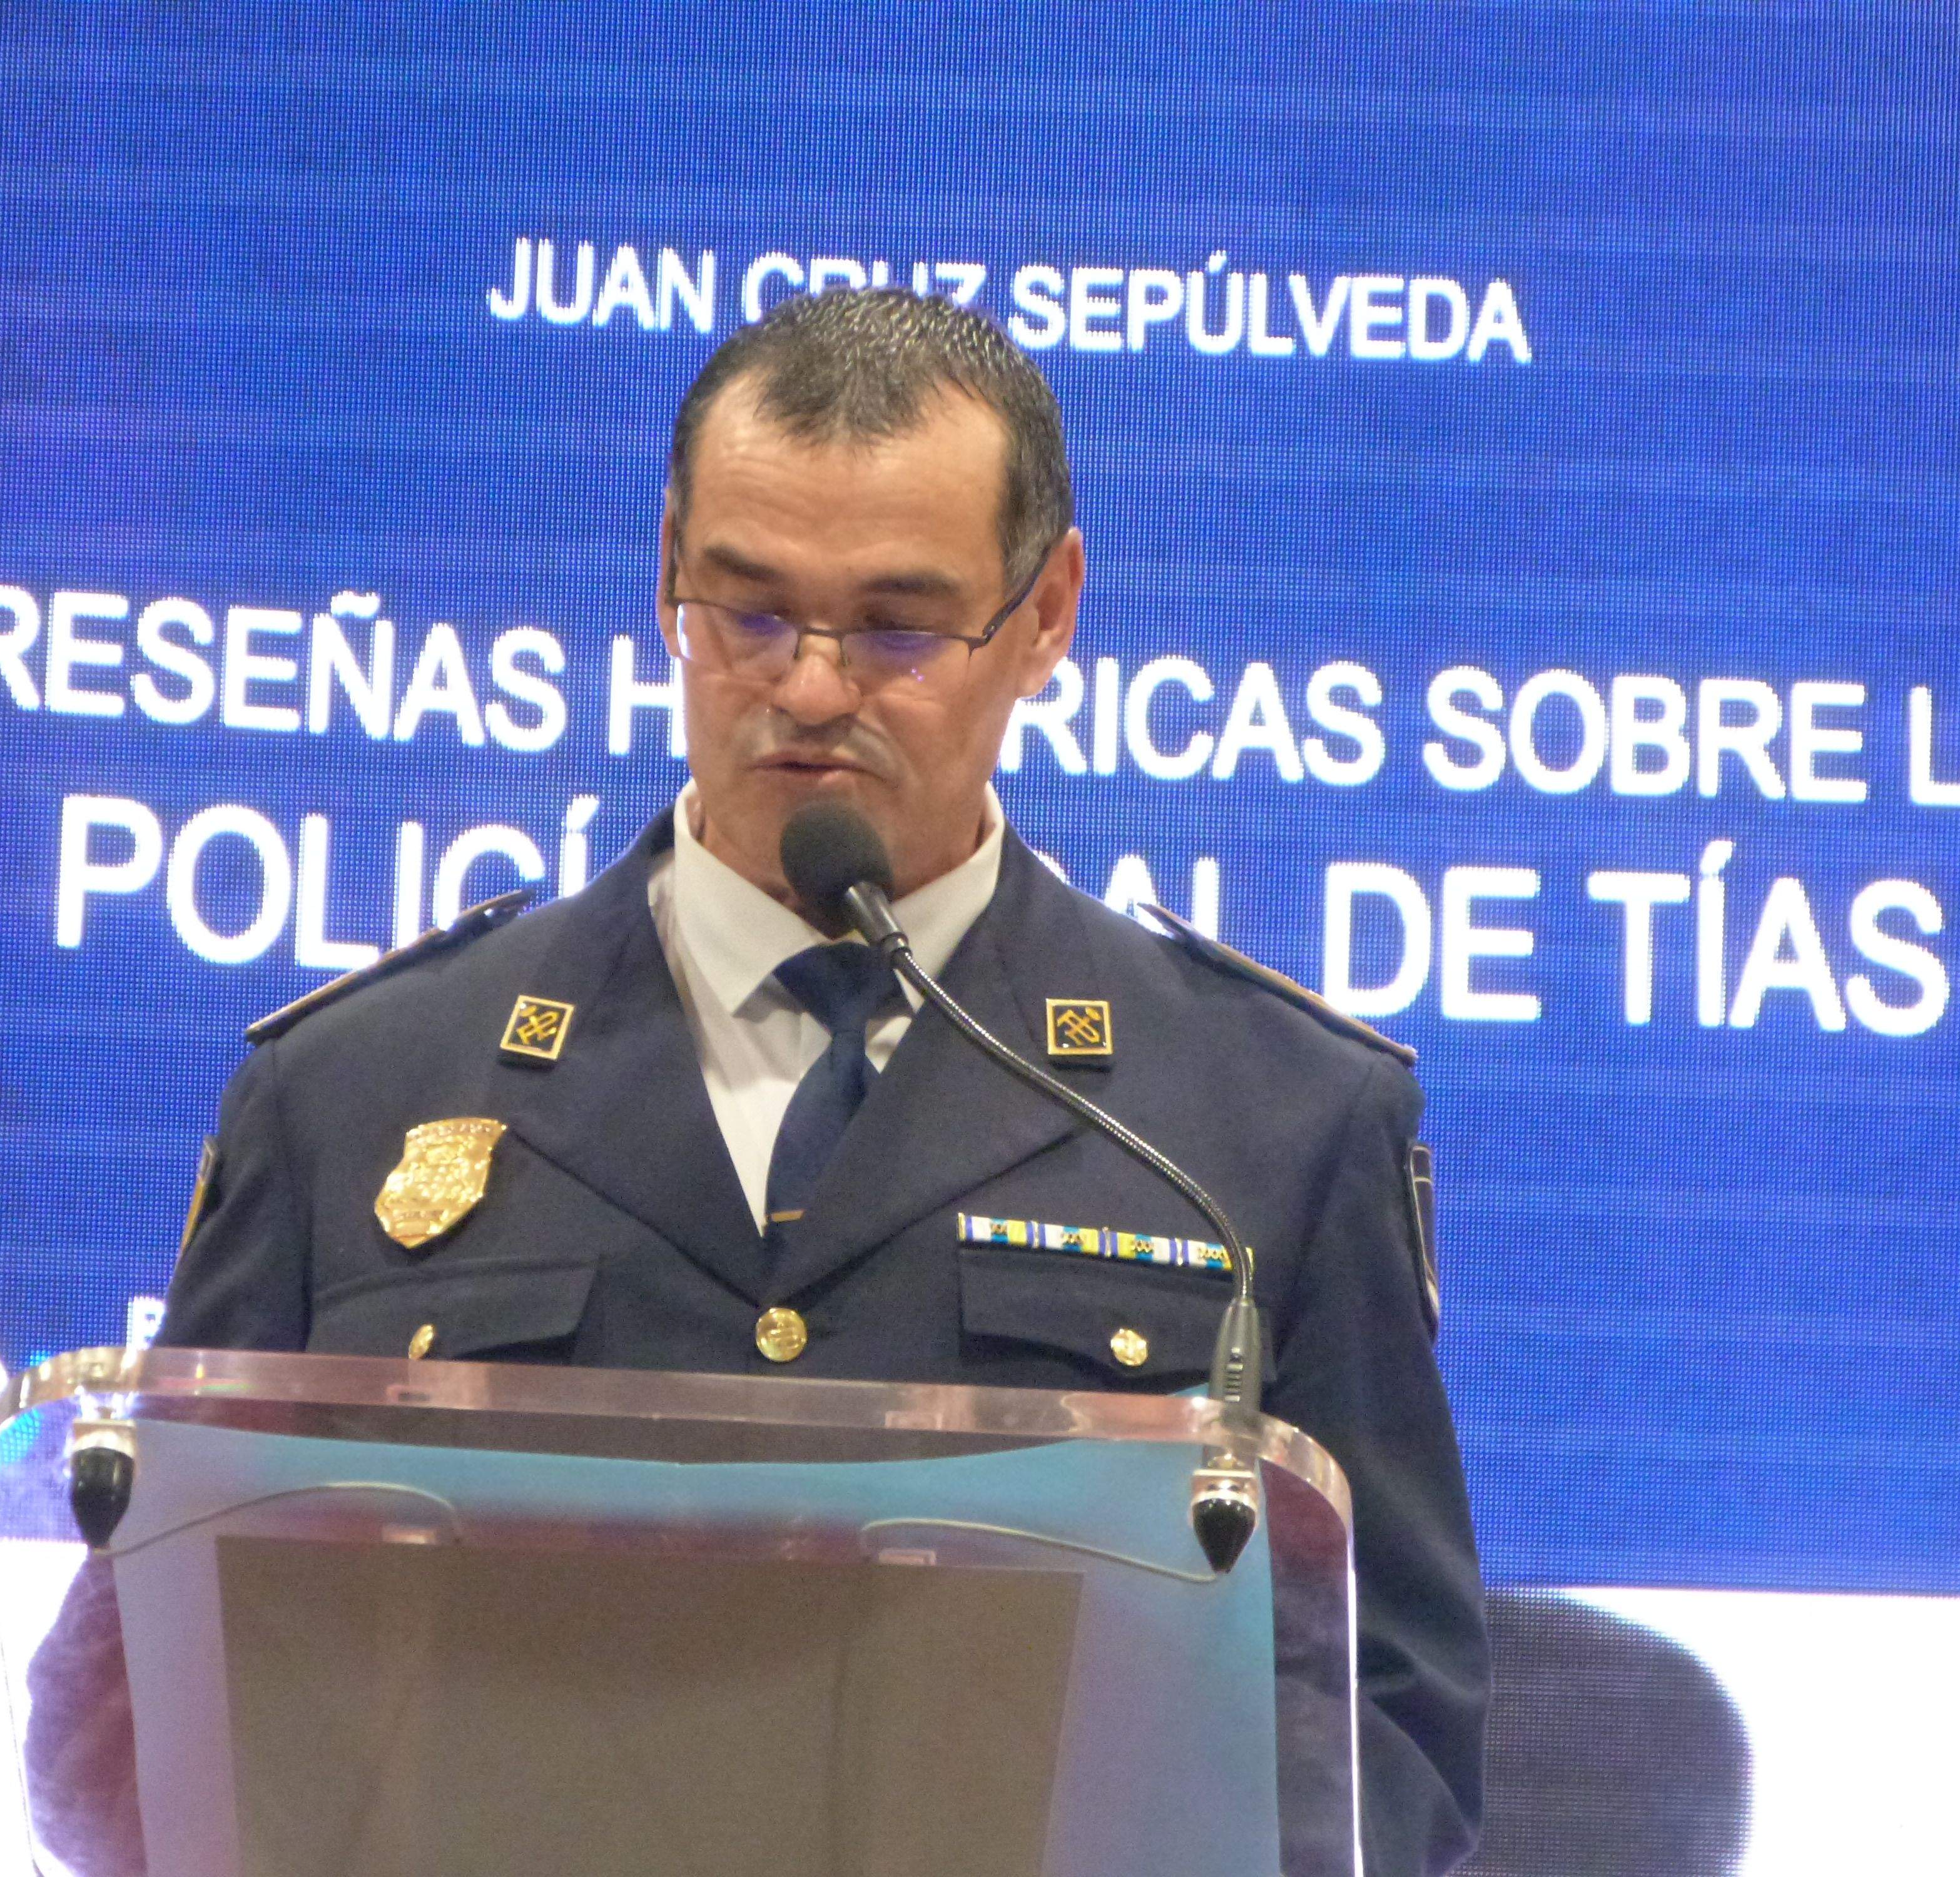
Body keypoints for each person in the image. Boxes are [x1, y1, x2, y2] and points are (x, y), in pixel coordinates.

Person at [160, 288, 1489, 1876]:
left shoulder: (1264, 1125)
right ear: (666, 570)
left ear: (1046, 614)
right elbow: (141, 1682)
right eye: (747, 612)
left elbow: (1391, 1736)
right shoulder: (351, 1094)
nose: (804, 689)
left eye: (896, 629)